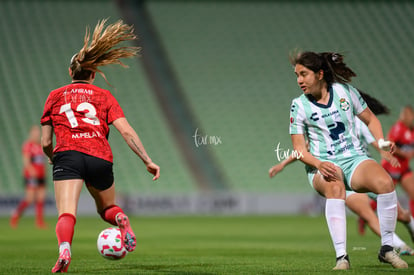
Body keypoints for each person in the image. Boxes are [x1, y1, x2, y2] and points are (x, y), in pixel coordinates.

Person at [40, 19, 160, 273]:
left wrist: (53, 157)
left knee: (67, 213)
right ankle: (121, 220)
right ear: (93, 74)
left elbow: (46, 142)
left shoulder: (54, 96)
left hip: (68, 156)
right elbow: (126, 131)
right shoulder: (104, 96)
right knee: (106, 208)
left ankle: (64, 250)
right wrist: (147, 160)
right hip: (99, 157)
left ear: (70, 72)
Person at [289, 51, 408, 269]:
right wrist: (318, 164)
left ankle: (387, 248)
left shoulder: (345, 92)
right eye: (296, 75)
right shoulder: (299, 106)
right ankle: (342, 257)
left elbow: (370, 119)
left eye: (303, 74)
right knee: (335, 184)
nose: (299, 80)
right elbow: (299, 150)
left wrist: (381, 142)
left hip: (354, 158)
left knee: (385, 183)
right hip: (321, 165)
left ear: (320, 74)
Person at [10, 125, 47, 229]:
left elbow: (42, 162)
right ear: (30, 133)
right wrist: (31, 170)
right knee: (30, 198)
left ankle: (39, 222)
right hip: (31, 175)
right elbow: (26, 161)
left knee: (41, 198)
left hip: (41, 175)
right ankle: (16, 214)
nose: (36, 134)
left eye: (37, 132)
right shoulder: (28, 145)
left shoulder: (40, 146)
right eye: (34, 132)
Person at [381, 105, 414, 217]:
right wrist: (402, 153)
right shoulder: (398, 128)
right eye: (404, 114)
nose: (406, 117)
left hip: (404, 168)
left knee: (413, 193)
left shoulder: (412, 131)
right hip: (392, 167)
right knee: (385, 195)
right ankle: (365, 215)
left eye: (409, 115)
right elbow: (389, 144)